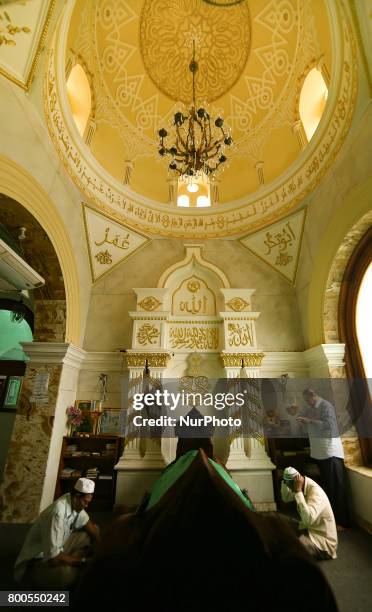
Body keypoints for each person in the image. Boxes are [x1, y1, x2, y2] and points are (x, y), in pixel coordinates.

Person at [14, 477, 100, 589]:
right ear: (77, 497)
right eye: (85, 502)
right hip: (39, 560)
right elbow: (53, 560)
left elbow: (92, 530)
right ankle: (69, 564)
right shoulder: (58, 513)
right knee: (66, 576)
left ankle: (71, 561)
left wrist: (101, 554)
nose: (86, 506)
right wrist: (83, 561)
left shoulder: (75, 503)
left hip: (58, 547)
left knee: (93, 531)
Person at [295, 387, 350, 528]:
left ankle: (342, 522)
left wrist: (310, 421)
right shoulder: (311, 408)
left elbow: (329, 426)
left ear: (313, 395)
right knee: (328, 487)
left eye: (308, 400)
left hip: (330, 452)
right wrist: (305, 422)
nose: (308, 403)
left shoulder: (326, 406)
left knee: (337, 487)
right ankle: (331, 521)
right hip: (320, 452)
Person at [281, 466, 338, 560]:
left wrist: (298, 492)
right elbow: (286, 498)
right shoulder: (302, 484)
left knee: (289, 548)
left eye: (289, 486)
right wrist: (284, 481)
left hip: (322, 543)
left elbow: (308, 521)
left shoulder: (315, 493)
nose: (289, 489)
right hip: (309, 530)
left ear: (296, 482)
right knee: (279, 521)